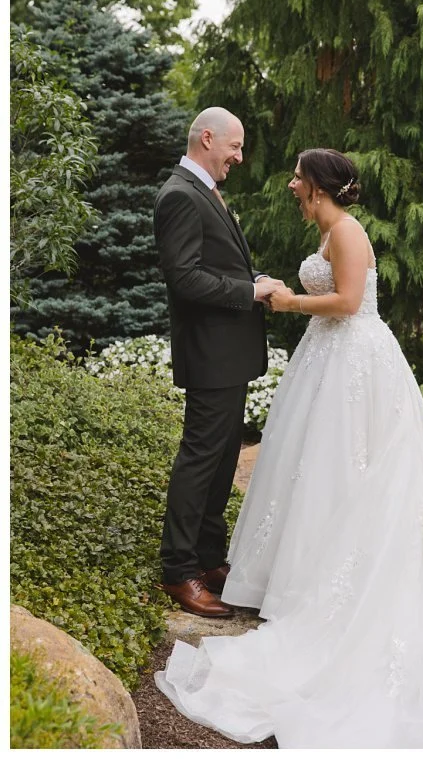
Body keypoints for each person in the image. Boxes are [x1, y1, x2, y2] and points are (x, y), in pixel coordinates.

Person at [155, 149, 423, 748]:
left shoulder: (348, 231)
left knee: (356, 468)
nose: (289, 184)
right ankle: (303, 570)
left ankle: (339, 578)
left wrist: (287, 302)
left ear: (316, 186)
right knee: (317, 470)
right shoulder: (327, 229)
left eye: (297, 178)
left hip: (357, 362)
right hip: (327, 359)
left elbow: (349, 302)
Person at [154, 107, 284, 618]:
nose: (240, 156)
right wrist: (250, 291)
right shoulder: (180, 195)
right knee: (200, 459)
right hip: (209, 353)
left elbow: (218, 266)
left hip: (227, 354)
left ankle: (209, 559)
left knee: (224, 457)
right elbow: (183, 278)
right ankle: (178, 571)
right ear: (208, 138)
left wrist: (256, 282)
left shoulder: (203, 191)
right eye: (235, 145)